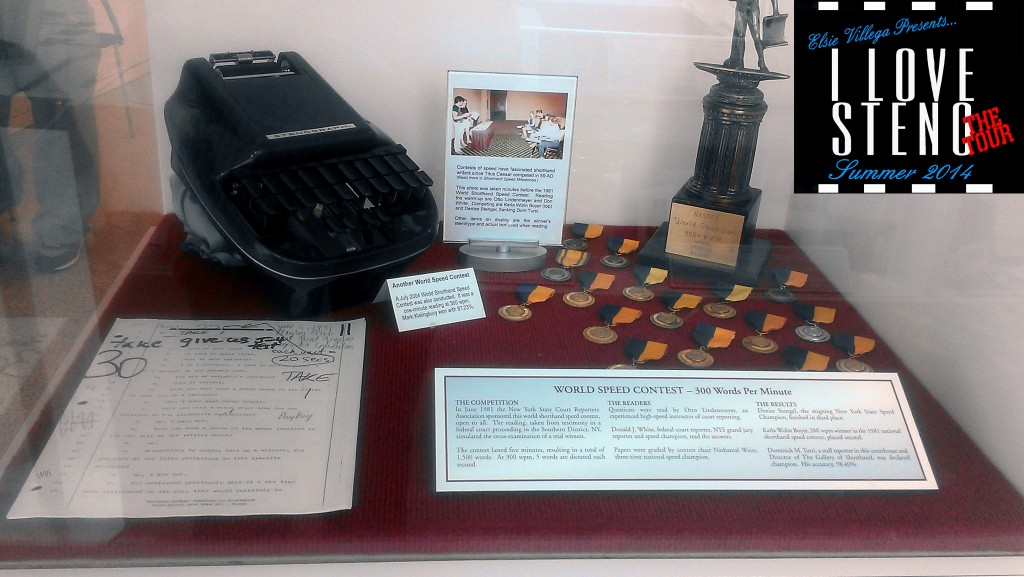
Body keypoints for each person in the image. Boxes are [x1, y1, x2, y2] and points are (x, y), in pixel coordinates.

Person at [0, 0, 102, 272]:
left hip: (54, 18)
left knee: (62, 123)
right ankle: (60, 231)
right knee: (62, 123)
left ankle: (61, 230)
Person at [724, 0, 779, 72]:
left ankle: (740, 62)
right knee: (755, 37)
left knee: (741, 35)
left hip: (742, 6)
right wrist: (775, 10)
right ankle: (761, 63)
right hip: (752, 7)